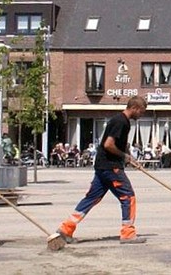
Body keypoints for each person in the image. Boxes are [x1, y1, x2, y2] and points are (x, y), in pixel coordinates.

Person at [56, 96, 148, 245]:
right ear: (135, 108)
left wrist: (129, 158)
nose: (141, 115)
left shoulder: (119, 120)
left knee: (91, 198)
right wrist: (124, 156)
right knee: (128, 197)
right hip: (111, 167)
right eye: (142, 112)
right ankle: (128, 233)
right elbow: (109, 144)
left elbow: (117, 144)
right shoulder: (121, 122)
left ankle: (66, 229)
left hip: (102, 166)